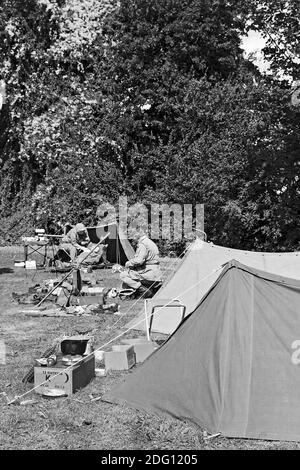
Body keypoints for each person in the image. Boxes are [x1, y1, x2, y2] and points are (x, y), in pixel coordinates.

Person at [120, 227, 162, 294]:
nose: (132, 239)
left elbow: (139, 261)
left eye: (132, 236)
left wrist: (128, 263)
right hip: (155, 272)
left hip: (149, 273)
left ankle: (144, 291)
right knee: (131, 272)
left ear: (137, 235)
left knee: (123, 275)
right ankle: (150, 289)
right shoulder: (149, 242)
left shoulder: (143, 244)